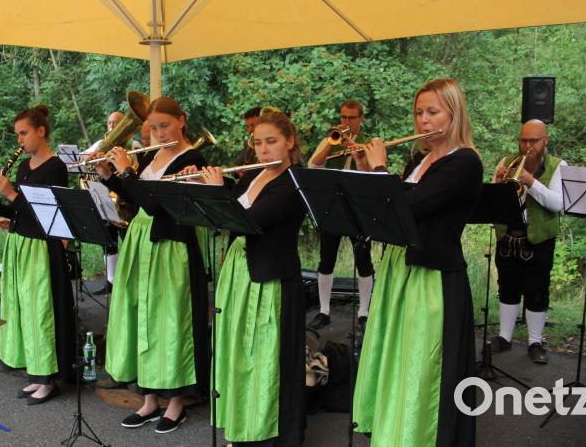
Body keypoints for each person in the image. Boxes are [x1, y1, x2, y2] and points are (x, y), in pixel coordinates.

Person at [353, 78, 481, 446]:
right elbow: (383, 209)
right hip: (400, 269)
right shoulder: (421, 158)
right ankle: (394, 430)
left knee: (423, 367)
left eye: (432, 112)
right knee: (395, 355)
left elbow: (404, 211)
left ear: (453, 114)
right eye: (418, 112)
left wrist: (379, 171)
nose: (423, 121)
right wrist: (366, 170)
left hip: (432, 280)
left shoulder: (465, 163)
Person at [95, 96, 209, 434]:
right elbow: (134, 196)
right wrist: (108, 175)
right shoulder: (156, 154)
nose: (158, 133)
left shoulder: (192, 158)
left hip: (171, 248)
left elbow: (156, 204)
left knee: (169, 322)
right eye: (154, 127)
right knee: (141, 318)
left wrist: (126, 171)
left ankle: (175, 403)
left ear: (182, 121)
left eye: (165, 126)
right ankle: (149, 399)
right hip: (141, 243)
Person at [194, 109, 308, 446]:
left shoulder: (293, 181)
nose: (263, 149)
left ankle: (264, 432)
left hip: (269, 279)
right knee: (237, 350)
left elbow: (249, 221)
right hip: (239, 272)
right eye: (258, 143)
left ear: (290, 142)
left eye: (271, 141)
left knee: (261, 356)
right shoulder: (254, 174)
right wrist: (205, 186)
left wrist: (216, 193)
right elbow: (236, 203)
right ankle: (241, 421)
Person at [0, 105, 74, 404]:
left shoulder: (56, 167)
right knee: (22, 308)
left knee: (42, 312)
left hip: (41, 247)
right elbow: (21, 210)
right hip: (20, 244)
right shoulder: (24, 167)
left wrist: (11, 193)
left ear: (41, 131)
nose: (20, 141)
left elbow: (45, 215)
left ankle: (49, 377)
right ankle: (35, 371)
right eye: (17, 135)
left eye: (23, 133)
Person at [489, 119, 566, 364]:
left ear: (546, 141)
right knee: (507, 287)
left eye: (534, 141)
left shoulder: (558, 166)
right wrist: (500, 182)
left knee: (537, 290)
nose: (527, 146)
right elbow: (493, 200)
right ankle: (504, 336)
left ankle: (535, 341)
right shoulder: (506, 161)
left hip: (539, 238)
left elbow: (557, 204)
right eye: (524, 140)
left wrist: (530, 182)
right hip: (508, 235)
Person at [306, 99, 374, 343]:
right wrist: (330, 144)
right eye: (343, 117)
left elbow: (370, 177)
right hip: (333, 207)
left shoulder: (369, 144)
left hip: (356, 208)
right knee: (326, 258)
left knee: (363, 259)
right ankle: (324, 311)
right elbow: (313, 166)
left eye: (351, 118)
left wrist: (356, 150)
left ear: (361, 119)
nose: (345, 122)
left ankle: (364, 312)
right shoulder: (330, 140)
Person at [94, 110, 140, 296]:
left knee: (128, 241)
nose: (112, 127)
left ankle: (131, 282)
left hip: (125, 203)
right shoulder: (101, 144)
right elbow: (85, 162)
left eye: (116, 123)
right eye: (110, 123)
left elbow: (134, 172)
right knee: (107, 241)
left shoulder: (133, 144)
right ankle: (111, 280)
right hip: (107, 199)